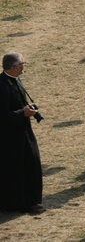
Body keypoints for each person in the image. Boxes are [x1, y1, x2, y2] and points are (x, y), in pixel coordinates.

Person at [0, 52, 44, 214]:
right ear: (14, 67)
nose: (24, 66)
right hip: (10, 138)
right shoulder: (1, 86)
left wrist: (31, 111)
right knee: (17, 170)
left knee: (32, 164)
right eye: (22, 63)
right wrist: (22, 114)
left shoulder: (16, 80)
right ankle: (20, 204)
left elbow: (22, 102)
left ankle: (32, 201)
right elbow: (3, 116)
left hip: (24, 132)